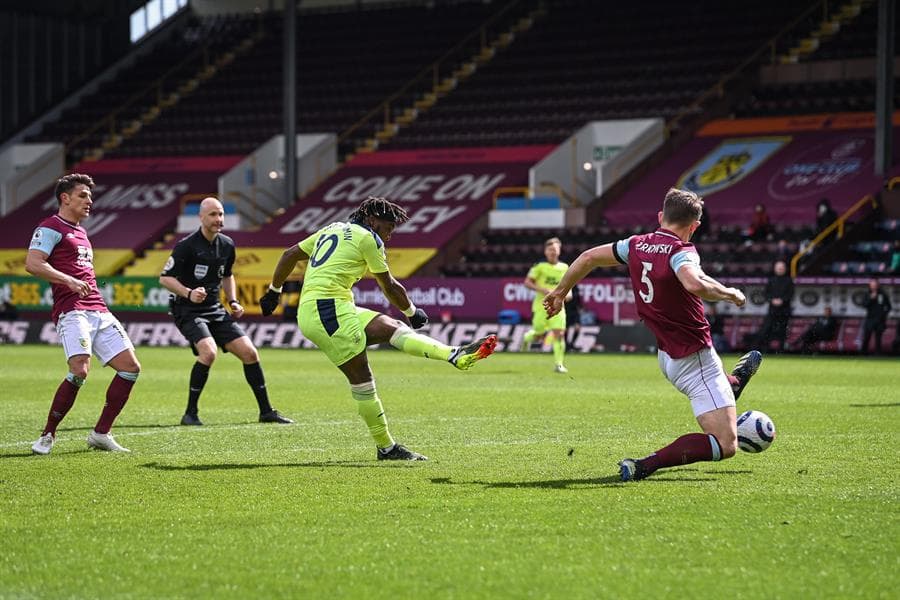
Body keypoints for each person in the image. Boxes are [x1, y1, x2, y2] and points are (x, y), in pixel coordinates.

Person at [543, 188, 762, 482]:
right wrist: (731, 293)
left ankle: (730, 385)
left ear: (661, 217)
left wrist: (560, 292)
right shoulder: (682, 251)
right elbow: (694, 283)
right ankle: (645, 465)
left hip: (665, 356)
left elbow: (588, 257)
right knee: (726, 444)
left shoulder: (635, 244)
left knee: (715, 390)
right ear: (694, 226)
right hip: (694, 359)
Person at [258, 196, 497, 461]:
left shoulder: (332, 228)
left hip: (334, 306)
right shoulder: (368, 239)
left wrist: (273, 291)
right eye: (388, 227)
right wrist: (412, 312)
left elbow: (289, 254)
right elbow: (389, 286)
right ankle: (386, 448)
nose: (390, 235)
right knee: (363, 379)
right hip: (326, 312)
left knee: (391, 327)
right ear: (372, 221)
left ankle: (454, 354)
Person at [25, 173, 140, 455]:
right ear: (65, 198)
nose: (89, 201)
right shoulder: (50, 227)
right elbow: (33, 263)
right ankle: (47, 435)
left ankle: (101, 434)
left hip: (98, 310)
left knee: (130, 368)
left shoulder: (81, 233)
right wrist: (69, 281)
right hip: (72, 310)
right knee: (80, 370)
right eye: (83, 195)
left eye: (90, 196)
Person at [159, 197, 293, 426]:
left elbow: (228, 275)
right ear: (201, 217)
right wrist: (189, 293)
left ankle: (266, 412)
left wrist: (233, 301)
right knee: (208, 353)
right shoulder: (186, 245)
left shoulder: (227, 244)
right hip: (188, 310)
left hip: (215, 309)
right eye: (213, 214)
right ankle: (190, 414)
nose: (218, 219)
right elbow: (165, 278)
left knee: (250, 353)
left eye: (220, 214)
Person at [520, 237, 571, 373]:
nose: (552, 252)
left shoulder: (564, 267)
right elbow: (527, 282)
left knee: (559, 333)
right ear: (545, 252)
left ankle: (559, 364)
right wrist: (544, 290)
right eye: (550, 249)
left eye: (555, 249)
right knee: (539, 335)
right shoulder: (539, 266)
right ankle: (526, 338)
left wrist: (568, 294)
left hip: (558, 306)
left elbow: (568, 283)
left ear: (559, 251)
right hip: (541, 306)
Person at [748, 260, 794, 352]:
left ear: (785, 269)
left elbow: (790, 294)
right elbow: (766, 294)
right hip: (772, 310)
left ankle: (781, 350)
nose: (780, 269)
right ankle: (764, 348)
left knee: (782, 330)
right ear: (775, 269)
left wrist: (782, 300)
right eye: (778, 268)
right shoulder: (771, 280)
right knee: (766, 329)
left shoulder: (789, 281)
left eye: (782, 268)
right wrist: (772, 300)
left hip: (784, 311)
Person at [860, 278, 892, 355]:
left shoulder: (883, 294)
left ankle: (878, 353)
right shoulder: (867, 294)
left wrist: (884, 314)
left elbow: (889, 306)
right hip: (870, 319)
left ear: (878, 285)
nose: (874, 286)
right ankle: (863, 353)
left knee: (878, 337)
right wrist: (871, 299)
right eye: (872, 285)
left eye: (875, 284)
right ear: (870, 285)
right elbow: (864, 305)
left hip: (880, 319)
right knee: (867, 336)